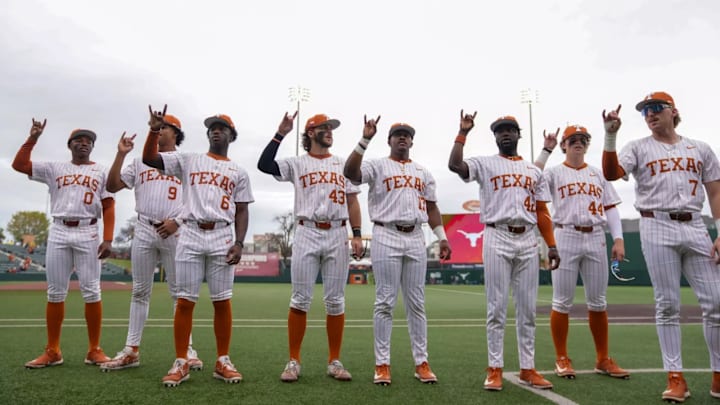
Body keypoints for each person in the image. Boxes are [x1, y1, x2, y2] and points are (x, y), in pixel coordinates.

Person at [602, 92, 720, 402]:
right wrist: (610, 136)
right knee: (667, 304)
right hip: (656, 224)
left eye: (656, 108)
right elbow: (612, 173)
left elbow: (715, 193)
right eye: (645, 111)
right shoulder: (638, 147)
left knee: (717, 303)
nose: (650, 114)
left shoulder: (700, 148)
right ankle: (675, 377)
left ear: (673, 111)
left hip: (696, 225)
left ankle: (718, 376)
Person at [142, 105, 254, 387]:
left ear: (231, 135)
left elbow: (242, 210)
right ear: (208, 134)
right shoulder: (189, 159)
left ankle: (222, 360)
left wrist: (240, 243)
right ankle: (181, 360)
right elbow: (149, 158)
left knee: (222, 300)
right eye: (213, 127)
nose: (217, 130)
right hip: (190, 232)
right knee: (185, 300)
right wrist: (154, 129)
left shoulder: (238, 171)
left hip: (222, 234)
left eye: (223, 128)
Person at [448, 111, 560, 391]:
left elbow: (541, 211)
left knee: (528, 310)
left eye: (510, 129)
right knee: (496, 308)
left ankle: (527, 368)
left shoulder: (534, 171)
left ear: (519, 135)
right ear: (495, 136)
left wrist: (552, 244)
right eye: (500, 130)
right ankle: (495, 368)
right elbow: (455, 165)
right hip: (497, 234)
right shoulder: (485, 163)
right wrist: (462, 133)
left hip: (527, 239)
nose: (505, 133)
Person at [344, 116, 451, 386]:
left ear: (412, 141)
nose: (402, 137)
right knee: (385, 301)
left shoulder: (423, 172)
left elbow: (432, 207)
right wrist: (364, 139)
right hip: (386, 233)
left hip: (415, 235)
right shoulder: (378, 165)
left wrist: (442, 237)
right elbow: (350, 173)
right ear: (389, 140)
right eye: (397, 134)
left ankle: (422, 363)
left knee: (417, 303)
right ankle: (382, 363)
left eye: (406, 135)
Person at [257, 112, 364, 382]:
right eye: (324, 127)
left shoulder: (343, 163)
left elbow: (352, 201)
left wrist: (358, 234)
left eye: (331, 128)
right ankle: (294, 360)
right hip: (306, 230)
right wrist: (280, 132)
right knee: (300, 299)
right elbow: (264, 164)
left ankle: (334, 361)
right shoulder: (298, 163)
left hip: (338, 232)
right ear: (310, 132)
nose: (329, 131)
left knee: (336, 300)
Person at [101, 114, 203, 372]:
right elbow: (112, 186)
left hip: (175, 230)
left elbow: (196, 200)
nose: (159, 131)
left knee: (180, 294)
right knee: (139, 291)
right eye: (156, 127)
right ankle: (131, 349)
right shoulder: (139, 162)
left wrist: (178, 221)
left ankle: (188, 349)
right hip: (145, 227)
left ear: (176, 133)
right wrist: (121, 154)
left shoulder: (185, 162)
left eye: (164, 127)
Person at [12, 119, 115, 368]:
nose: (84, 143)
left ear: (92, 147)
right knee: (56, 292)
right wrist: (33, 138)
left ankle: (94, 349)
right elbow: (19, 165)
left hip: (88, 230)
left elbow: (109, 205)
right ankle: (53, 350)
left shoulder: (101, 170)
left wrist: (109, 238)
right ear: (69, 145)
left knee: (92, 291)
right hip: (59, 229)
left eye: (88, 140)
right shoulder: (55, 167)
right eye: (79, 139)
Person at [536, 124, 629, 380]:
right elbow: (532, 176)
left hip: (596, 235)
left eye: (583, 139)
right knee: (562, 301)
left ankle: (602, 359)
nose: (578, 142)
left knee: (598, 302)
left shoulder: (597, 174)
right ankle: (562, 358)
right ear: (564, 145)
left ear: (588, 145)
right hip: (565, 234)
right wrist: (546, 149)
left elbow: (610, 208)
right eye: (573, 139)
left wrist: (618, 239)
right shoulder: (554, 173)